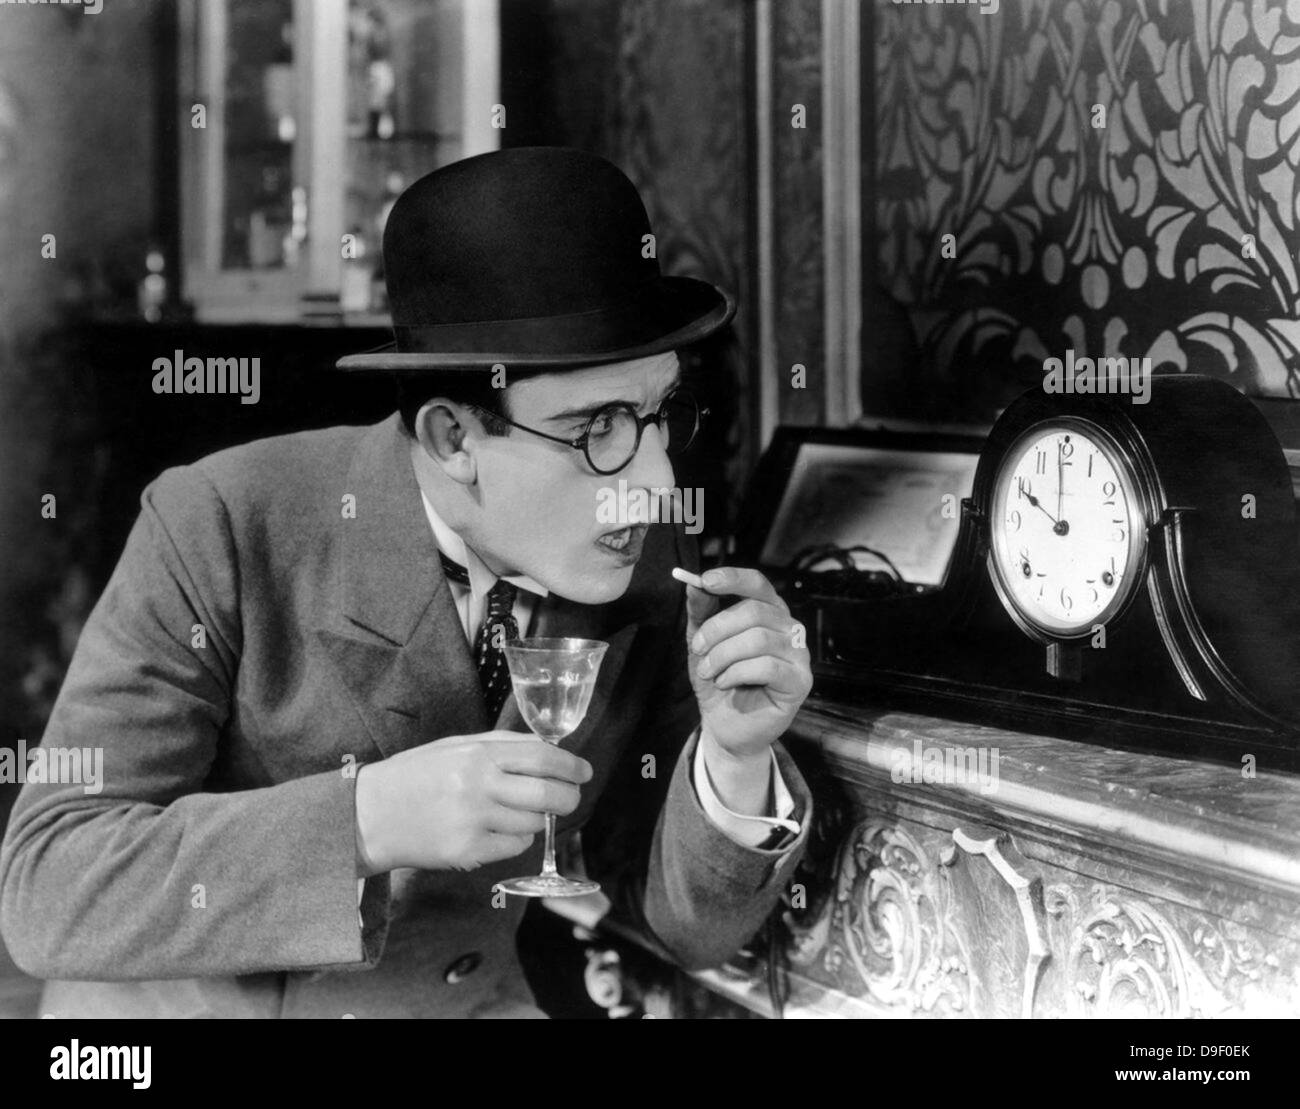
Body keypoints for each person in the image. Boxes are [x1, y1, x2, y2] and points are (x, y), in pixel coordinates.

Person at [0, 147, 813, 1018]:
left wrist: (734, 757)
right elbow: (50, 884)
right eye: (599, 428)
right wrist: (365, 820)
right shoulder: (224, 523)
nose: (654, 481)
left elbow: (685, 928)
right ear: (454, 439)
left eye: (658, 413)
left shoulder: (638, 558)